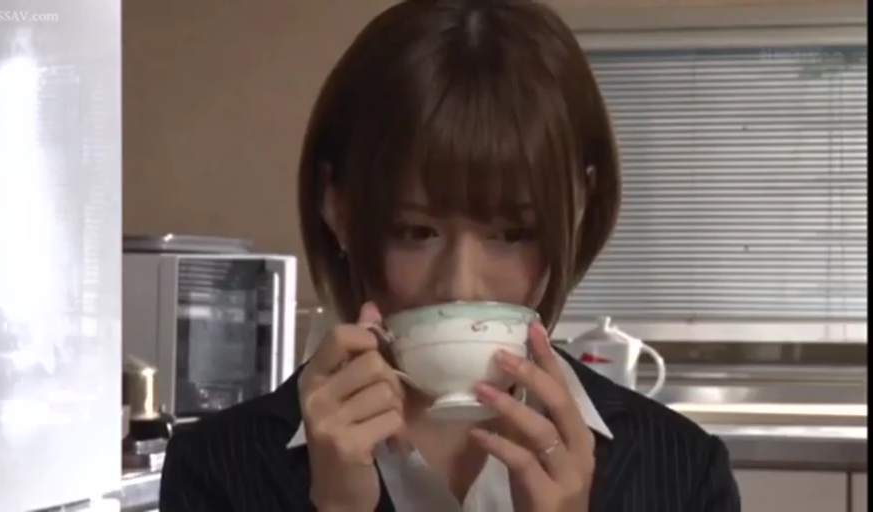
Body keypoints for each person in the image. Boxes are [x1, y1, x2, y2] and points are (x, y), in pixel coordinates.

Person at [159, 1, 741, 511]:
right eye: (416, 231)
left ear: (579, 209)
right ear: (337, 207)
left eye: (512, 233)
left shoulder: (684, 472)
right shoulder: (216, 470)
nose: (461, 283)